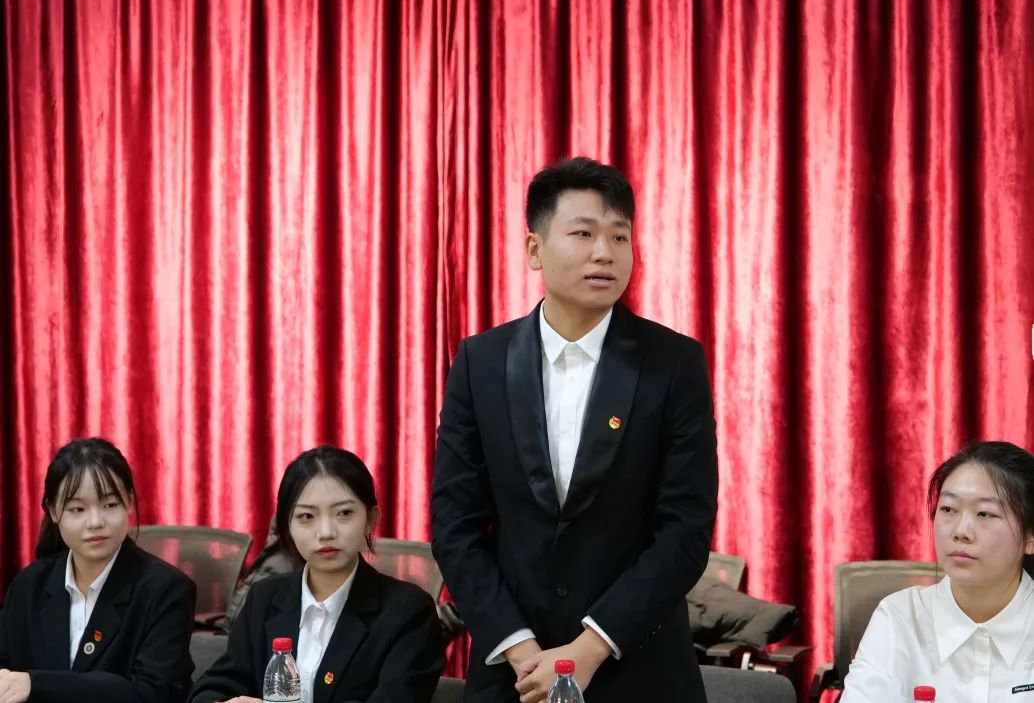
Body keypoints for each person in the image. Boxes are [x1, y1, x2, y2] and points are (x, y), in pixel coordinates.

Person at [431, 157, 719, 702]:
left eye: (619, 236)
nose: (604, 252)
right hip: (515, 675)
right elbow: (454, 525)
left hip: (637, 670)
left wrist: (586, 651)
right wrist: (522, 652)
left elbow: (685, 530)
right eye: (583, 233)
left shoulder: (673, 363)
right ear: (534, 249)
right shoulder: (480, 362)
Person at [189, 445, 444, 703]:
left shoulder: (408, 611)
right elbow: (213, 687)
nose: (325, 532)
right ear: (287, 527)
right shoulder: (265, 597)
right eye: (307, 516)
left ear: (370, 519)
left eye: (344, 513)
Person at [0, 437, 196, 703]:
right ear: (53, 511)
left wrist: (35, 685)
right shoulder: (30, 584)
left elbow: (152, 693)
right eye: (78, 509)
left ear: (129, 502)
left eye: (110, 505)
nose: (95, 522)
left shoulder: (166, 589)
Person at [841, 441, 1034, 703]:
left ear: (1030, 537)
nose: (961, 531)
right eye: (948, 509)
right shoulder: (899, 618)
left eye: (985, 514)